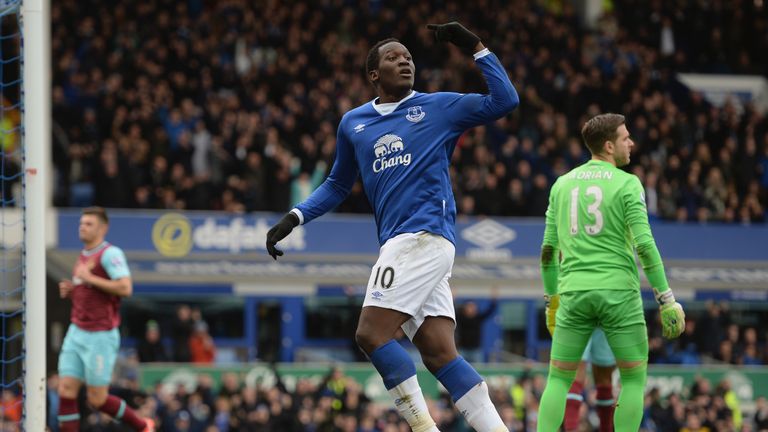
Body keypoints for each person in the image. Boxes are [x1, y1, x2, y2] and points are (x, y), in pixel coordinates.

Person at [267, 21, 519, 432]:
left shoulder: (438, 107)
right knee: (440, 355)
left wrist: (474, 46)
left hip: (422, 237)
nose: (404, 61)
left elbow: (505, 100)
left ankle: (423, 428)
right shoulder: (354, 122)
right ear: (373, 74)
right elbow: (336, 184)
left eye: (408, 57)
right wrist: (294, 217)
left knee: (370, 335)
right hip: (407, 245)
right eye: (393, 57)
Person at [537, 113, 686, 432]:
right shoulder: (628, 183)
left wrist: (552, 301)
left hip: (574, 293)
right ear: (608, 146)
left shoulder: (561, 184)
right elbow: (645, 247)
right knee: (632, 379)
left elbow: (548, 253)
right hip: (619, 294)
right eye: (625, 138)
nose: (631, 142)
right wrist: (666, 299)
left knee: (559, 379)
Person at [57, 207, 154, 431]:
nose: (82, 227)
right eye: (81, 223)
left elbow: (125, 287)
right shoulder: (84, 255)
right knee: (66, 389)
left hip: (99, 335)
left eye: (89, 224)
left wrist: (89, 277)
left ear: (103, 228)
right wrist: (73, 291)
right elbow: (92, 291)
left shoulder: (110, 254)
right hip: (77, 330)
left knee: (97, 399)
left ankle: (142, 425)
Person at [561, 329, 616, 432]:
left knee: (574, 376)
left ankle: (570, 428)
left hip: (578, 316)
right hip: (609, 316)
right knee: (610, 380)